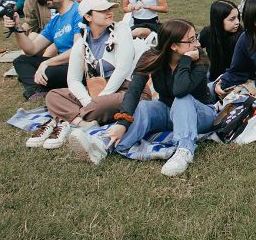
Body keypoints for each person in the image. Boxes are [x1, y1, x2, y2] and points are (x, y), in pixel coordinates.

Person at [69, 19, 217, 177]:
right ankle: (104, 146)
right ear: (173, 46)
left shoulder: (199, 60)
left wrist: (186, 60)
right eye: (191, 40)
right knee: (145, 106)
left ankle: (184, 150)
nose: (197, 44)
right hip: (168, 110)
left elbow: (180, 90)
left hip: (201, 114)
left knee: (183, 99)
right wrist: (123, 122)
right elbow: (134, 90)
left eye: (195, 38)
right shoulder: (152, 57)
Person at [34, 0, 142, 149]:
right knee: (53, 96)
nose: (109, 12)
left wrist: (99, 99)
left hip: (127, 89)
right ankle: (83, 123)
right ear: (88, 17)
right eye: (102, 10)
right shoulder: (81, 43)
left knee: (103, 104)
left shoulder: (121, 30)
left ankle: (69, 118)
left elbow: (122, 69)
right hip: (95, 93)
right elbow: (73, 80)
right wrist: (87, 101)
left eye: (109, 9)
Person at [6, 0, 82, 99]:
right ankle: (37, 88)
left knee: (48, 71)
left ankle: (37, 84)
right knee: (21, 61)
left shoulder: (78, 12)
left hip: (78, 66)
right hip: (60, 64)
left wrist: (47, 63)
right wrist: (17, 28)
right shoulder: (55, 21)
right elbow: (31, 50)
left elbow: (78, 50)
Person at [199, 0, 243, 80]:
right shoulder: (208, 32)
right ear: (218, 20)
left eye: (238, 17)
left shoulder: (242, 36)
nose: (237, 22)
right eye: (232, 19)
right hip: (214, 73)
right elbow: (195, 47)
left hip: (237, 77)